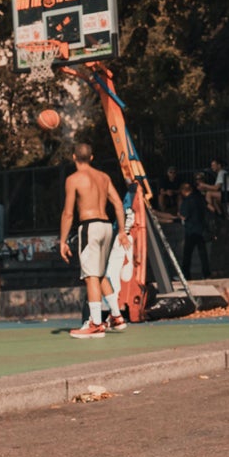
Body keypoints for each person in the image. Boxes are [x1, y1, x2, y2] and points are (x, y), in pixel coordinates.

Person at [60, 142, 127, 338]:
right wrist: (122, 230)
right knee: (99, 275)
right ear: (91, 157)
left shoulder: (73, 179)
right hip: (107, 226)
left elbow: (68, 213)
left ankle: (96, 323)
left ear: (73, 157)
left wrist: (62, 241)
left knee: (90, 276)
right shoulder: (104, 177)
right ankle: (116, 316)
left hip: (90, 226)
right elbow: (117, 204)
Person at [177, 180, 211, 279]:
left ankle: (185, 275)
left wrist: (179, 213)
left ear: (183, 191)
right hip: (201, 229)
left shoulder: (187, 201)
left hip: (191, 231)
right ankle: (206, 274)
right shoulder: (199, 198)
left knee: (187, 254)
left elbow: (184, 216)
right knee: (203, 254)